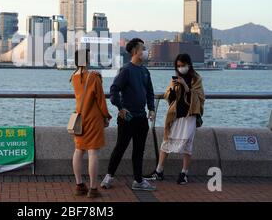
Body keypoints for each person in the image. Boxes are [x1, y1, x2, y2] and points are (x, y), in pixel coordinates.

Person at [100, 38, 157, 191]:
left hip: (141, 118)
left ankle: (138, 181)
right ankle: (109, 177)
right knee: (121, 147)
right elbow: (114, 90)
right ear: (135, 52)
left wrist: (151, 109)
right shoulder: (126, 70)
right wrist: (120, 107)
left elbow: (150, 92)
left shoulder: (145, 71)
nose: (145, 51)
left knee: (139, 150)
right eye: (143, 48)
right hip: (127, 117)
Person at [145, 53, 205, 185]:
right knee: (166, 142)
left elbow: (199, 97)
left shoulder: (196, 79)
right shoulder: (175, 78)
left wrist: (185, 85)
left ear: (189, 65)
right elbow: (169, 96)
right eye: (178, 66)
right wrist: (173, 89)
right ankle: (159, 171)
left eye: (183, 65)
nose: (181, 68)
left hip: (189, 116)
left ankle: (184, 173)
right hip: (175, 115)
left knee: (187, 145)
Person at [70, 49, 112, 198]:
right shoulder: (93, 77)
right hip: (93, 119)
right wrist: (107, 116)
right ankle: (93, 189)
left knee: (78, 150)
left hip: (79, 119)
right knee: (93, 152)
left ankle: (79, 185)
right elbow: (100, 100)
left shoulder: (73, 77)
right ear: (87, 60)